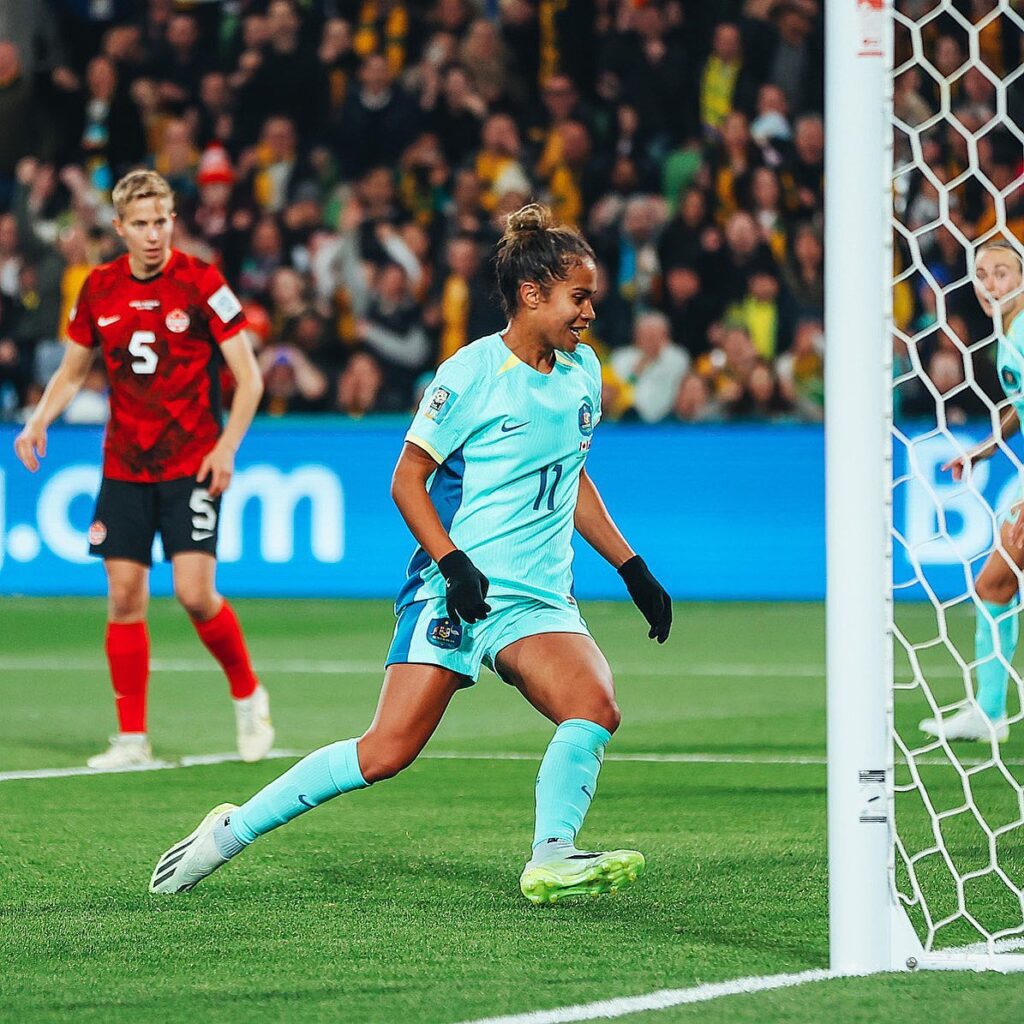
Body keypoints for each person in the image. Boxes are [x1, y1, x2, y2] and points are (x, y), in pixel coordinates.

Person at [149, 203, 673, 903]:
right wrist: (452, 562)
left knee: (594, 705)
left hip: (536, 600)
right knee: (385, 751)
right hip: (457, 590)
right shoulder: (471, 373)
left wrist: (631, 567)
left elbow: (571, 474)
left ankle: (552, 854)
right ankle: (228, 831)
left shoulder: (582, 374)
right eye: (578, 298)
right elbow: (406, 480)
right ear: (531, 293)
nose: (588, 313)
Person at [13, 170, 274, 769]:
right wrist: (38, 420)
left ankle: (246, 693)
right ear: (119, 228)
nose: (155, 234)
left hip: (191, 462)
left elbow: (250, 378)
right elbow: (74, 371)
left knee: (194, 594)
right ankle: (132, 738)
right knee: (124, 597)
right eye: (142, 224)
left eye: (163, 221)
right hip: (126, 464)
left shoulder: (203, 282)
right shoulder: (99, 287)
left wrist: (226, 447)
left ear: (173, 221)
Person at [922, 239, 1024, 742]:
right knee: (994, 587)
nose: (990, 284)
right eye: (982, 274)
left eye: (1001, 273)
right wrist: (982, 450)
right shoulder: (1009, 333)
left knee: (993, 586)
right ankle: (989, 712)